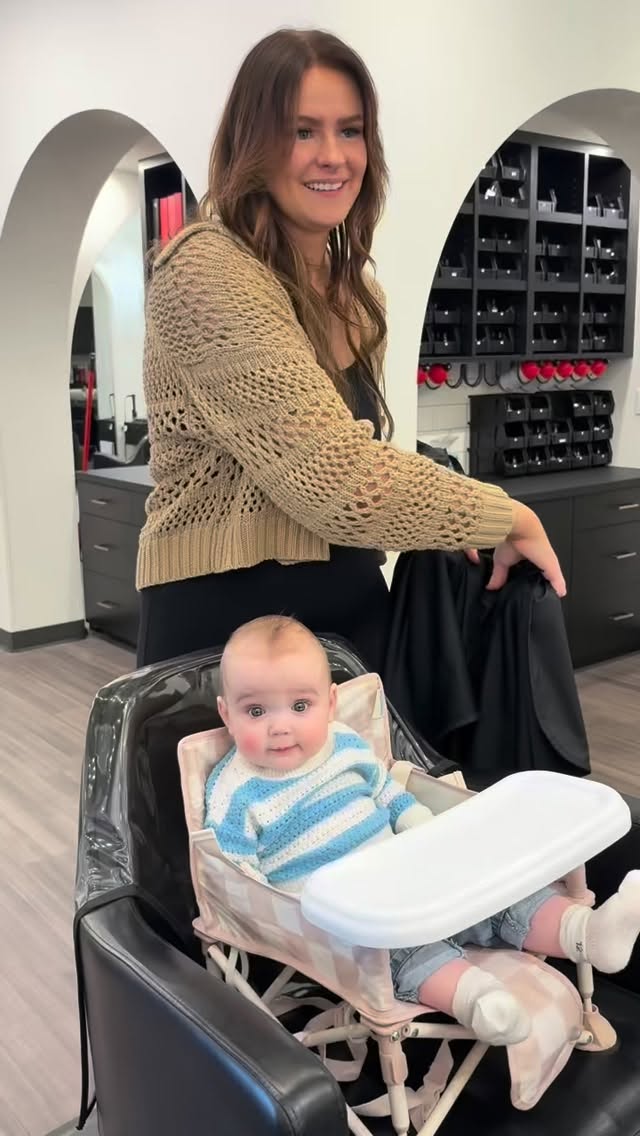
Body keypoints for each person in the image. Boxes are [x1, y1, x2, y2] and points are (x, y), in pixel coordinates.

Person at [136, 27, 565, 669]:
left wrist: (437, 515)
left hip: (352, 616)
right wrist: (505, 516)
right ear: (253, 143)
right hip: (227, 635)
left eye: (351, 130)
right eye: (303, 131)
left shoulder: (356, 294)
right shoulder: (205, 272)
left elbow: (356, 459)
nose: (333, 156)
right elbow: (333, 479)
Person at [205, 615, 640, 1047]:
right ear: (227, 714)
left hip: (409, 870)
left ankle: (588, 933)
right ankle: (480, 999)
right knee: (405, 956)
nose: (280, 726)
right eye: (256, 711)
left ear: (331, 703)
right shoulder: (235, 790)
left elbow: (386, 790)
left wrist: (420, 822)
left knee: (493, 893)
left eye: (301, 706)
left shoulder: (345, 744)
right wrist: (284, 918)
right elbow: (235, 873)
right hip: (350, 916)